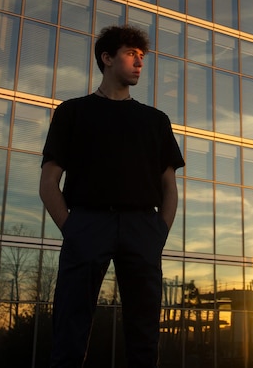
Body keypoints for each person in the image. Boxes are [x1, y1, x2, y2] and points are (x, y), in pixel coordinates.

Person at [40, 24, 184, 368]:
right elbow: (48, 183)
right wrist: (73, 229)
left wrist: (156, 233)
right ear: (107, 58)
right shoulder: (72, 112)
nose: (139, 63)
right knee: (70, 330)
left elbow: (169, 186)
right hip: (88, 222)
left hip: (142, 226)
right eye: (131, 54)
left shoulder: (155, 120)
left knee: (145, 333)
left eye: (142, 56)